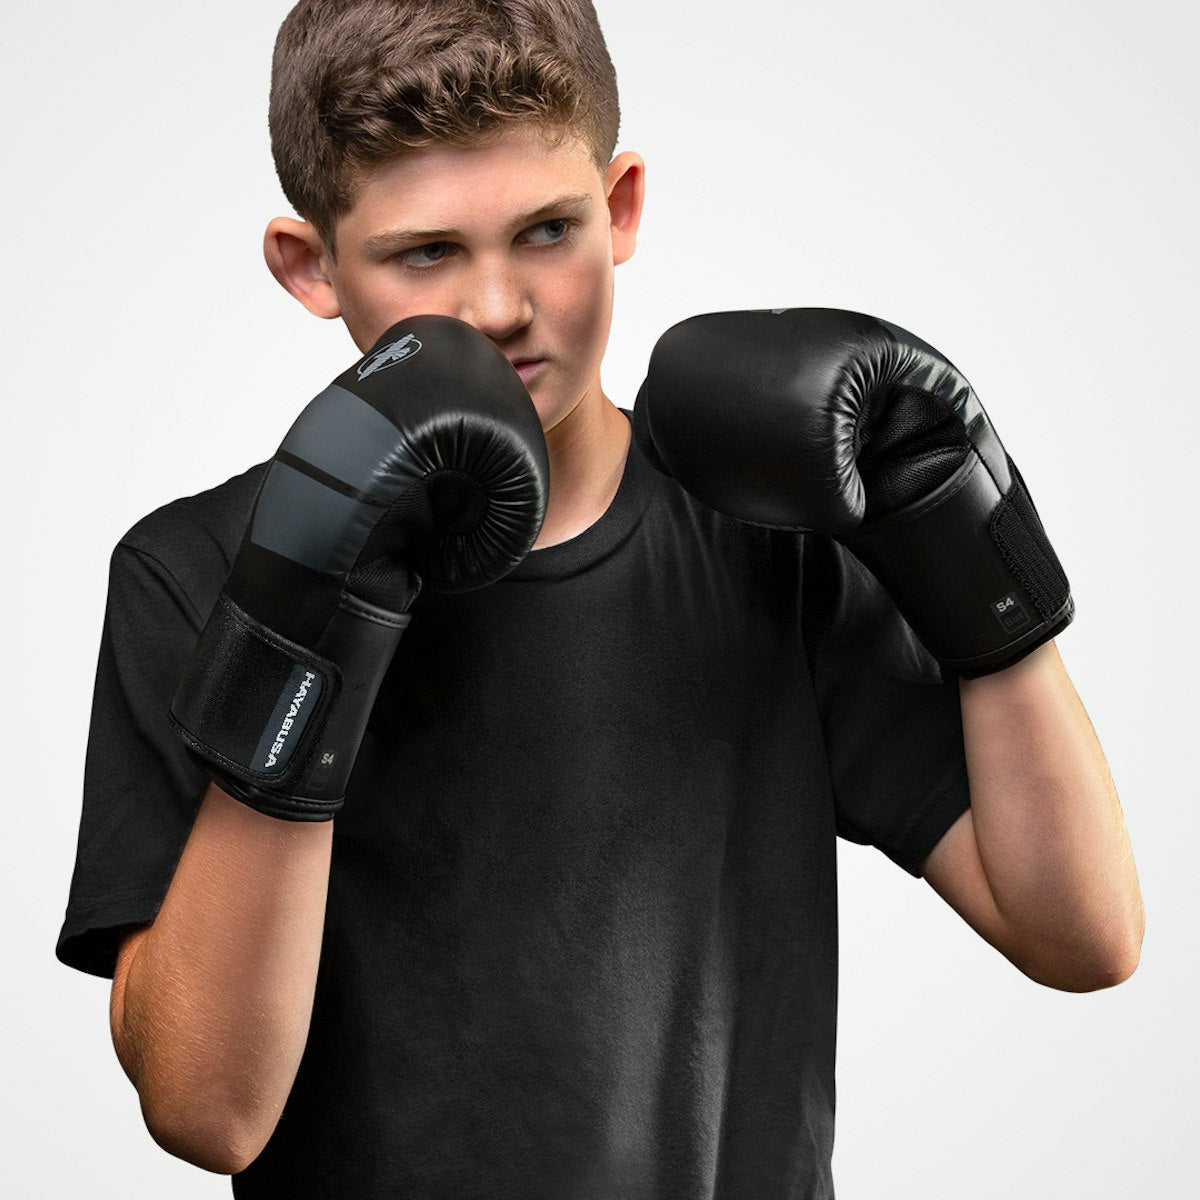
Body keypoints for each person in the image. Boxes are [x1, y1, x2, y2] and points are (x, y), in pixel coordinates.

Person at [55, 1, 1144, 1196]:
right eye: (425, 253)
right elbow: (208, 1113)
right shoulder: (196, 571)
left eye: (547, 231)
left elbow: (1083, 934)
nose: (498, 307)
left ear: (620, 206)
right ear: (309, 265)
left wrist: (970, 551)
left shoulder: (765, 530)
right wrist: (303, 615)